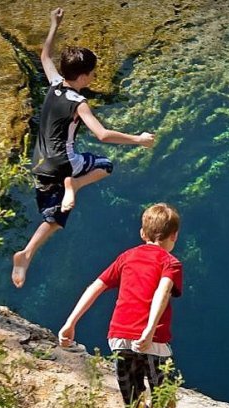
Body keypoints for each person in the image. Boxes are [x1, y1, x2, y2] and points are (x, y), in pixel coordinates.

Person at [11, 7, 156, 288]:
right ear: (83, 76)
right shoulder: (79, 103)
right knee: (105, 166)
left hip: (40, 165)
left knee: (54, 217)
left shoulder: (54, 85)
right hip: (66, 164)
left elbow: (44, 56)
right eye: (91, 74)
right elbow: (102, 134)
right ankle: (73, 185)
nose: (92, 78)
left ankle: (26, 254)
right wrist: (138, 139)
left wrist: (54, 24)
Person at [58, 203, 192, 408]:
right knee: (163, 381)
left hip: (118, 335)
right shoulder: (171, 263)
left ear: (142, 233)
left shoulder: (127, 257)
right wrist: (149, 330)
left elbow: (96, 287)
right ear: (174, 236)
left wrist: (70, 322)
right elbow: (163, 291)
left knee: (130, 387)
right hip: (152, 339)